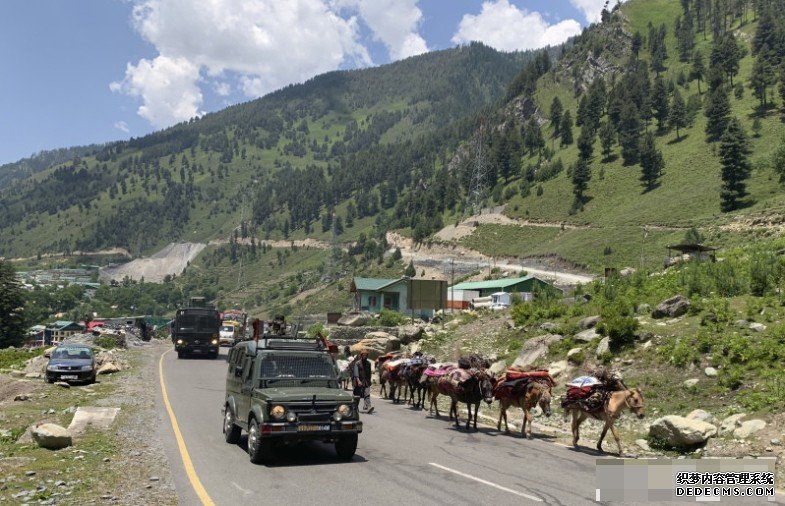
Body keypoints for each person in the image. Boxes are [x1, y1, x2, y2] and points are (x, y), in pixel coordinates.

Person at [351, 349, 374, 414]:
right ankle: (355, 407)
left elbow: (369, 373)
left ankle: (369, 407)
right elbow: (356, 373)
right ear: (361, 356)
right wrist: (358, 381)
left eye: (366, 355)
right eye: (363, 355)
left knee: (367, 394)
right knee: (357, 396)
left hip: (366, 381)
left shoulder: (368, 363)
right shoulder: (357, 363)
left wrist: (369, 381)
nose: (365, 356)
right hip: (358, 382)